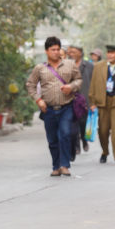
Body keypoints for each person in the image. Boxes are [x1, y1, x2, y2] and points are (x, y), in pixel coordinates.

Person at [26, 37, 82, 177]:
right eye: (53, 50)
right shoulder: (40, 68)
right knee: (52, 139)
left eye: (58, 49)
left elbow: (79, 79)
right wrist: (38, 100)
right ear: (46, 51)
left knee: (65, 134)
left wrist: (71, 86)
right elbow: (30, 85)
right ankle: (56, 166)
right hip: (49, 109)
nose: (56, 52)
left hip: (66, 107)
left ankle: (65, 165)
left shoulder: (70, 64)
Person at [67, 45, 94, 154]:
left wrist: (93, 100)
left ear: (80, 53)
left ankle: (84, 140)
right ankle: (76, 146)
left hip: (84, 99)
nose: (71, 54)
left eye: (73, 52)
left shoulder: (89, 66)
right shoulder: (66, 65)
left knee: (83, 122)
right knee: (73, 124)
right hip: (71, 98)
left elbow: (94, 83)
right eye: (70, 52)